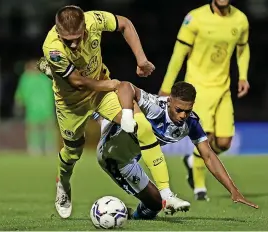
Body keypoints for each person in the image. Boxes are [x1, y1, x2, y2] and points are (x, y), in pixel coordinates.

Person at [38, 5, 178, 218]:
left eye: (77, 37)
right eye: (68, 40)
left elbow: (125, 24)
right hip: (71, 102)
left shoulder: (95, 19)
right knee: (73, 151)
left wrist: (141, 59)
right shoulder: (53, 48)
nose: (73, 44)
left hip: (100, 91)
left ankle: (166, 192)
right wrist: (111, 85)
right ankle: (63, 184)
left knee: (141, 126)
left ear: (85, 26)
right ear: (58, 33)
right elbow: (77, 82)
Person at [114, 81, 258, 216]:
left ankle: (127, 215)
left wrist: (233, 190)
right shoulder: (154, 106)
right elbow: (126, 86)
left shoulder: (191, 123)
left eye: (187, 111)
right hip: (114, 150)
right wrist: (125, 114)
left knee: (156, 205)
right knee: (157, 202)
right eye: (179, 110)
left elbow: (208, 156)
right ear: (169, 101)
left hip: (131, 158)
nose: (183, 115)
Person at [158, 0, 250, 201]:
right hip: (199, 87)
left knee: (224, 142)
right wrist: (166, 87)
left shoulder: (240, 19)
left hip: (223, 88)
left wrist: (243, 76)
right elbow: (178, 55)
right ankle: (200, 188)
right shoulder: (195, 18)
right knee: (204, 138)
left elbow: (243, 48)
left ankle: (193, 161)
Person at [14, 59, 57, 156]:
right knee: (46, 129)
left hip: (35, 108)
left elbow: (19, 94)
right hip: (45, 107)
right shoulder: (45, 77)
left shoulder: (26, 78)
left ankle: (35, 148)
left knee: (35, 129)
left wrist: (18, 104)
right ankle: (47, 147)